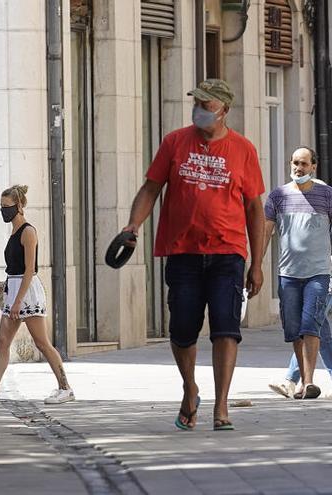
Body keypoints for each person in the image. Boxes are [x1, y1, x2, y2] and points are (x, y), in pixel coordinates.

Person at [120, 79, 265, 431]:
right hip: (182, 250)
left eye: (207, 104)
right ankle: (190, 389)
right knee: (183, 329)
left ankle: (222, 405)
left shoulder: (243, 149)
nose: (199, 109)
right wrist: (132, 228)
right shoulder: (175, 142)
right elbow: (151, 188)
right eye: (197, 102)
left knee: (225, 328)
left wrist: (257, 264)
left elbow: (254, 208)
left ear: (224, 111)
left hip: (228, 251)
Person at [0, 185, 73, 404]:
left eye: (8, 207)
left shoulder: (28, 231)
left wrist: (17, 301)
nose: (4, 211)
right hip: (14, 289)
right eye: (1, 207)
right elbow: (15, 268)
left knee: (42, 342)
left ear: (20, 206)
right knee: (2, 341)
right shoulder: (14, 232)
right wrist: (5, 286)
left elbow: (29, 269)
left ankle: (65, 387)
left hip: (27, 293)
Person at [262, 146, 332, 399]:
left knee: (310, 325)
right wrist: (256, 265)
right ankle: (302, 380)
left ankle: (308, 382)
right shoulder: (278, 196)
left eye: (303, 164)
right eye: (294, 163)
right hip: (288, 274)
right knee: (294, 329)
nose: (298, 168)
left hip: (319, 273)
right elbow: (265, 232)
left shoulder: (326, 194)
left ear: (314, 166)